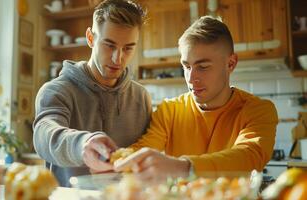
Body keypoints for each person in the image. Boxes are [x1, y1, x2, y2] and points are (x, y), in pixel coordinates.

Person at [114, 16, 278, 182]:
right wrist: (112, 158)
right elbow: (141, 150)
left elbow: (249, 156)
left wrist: (184, 167)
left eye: (203, 67)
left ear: (230, 64)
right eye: (186, 66)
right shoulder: (170, 110)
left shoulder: (259, 110)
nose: (191, 79)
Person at [33, 0, 150, 187]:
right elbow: (44, 134)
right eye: (109, 45)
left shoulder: (141, 97)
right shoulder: (56, 90)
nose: (117, 58)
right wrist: (82, 144)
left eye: (128, 48)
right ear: (90, 38)